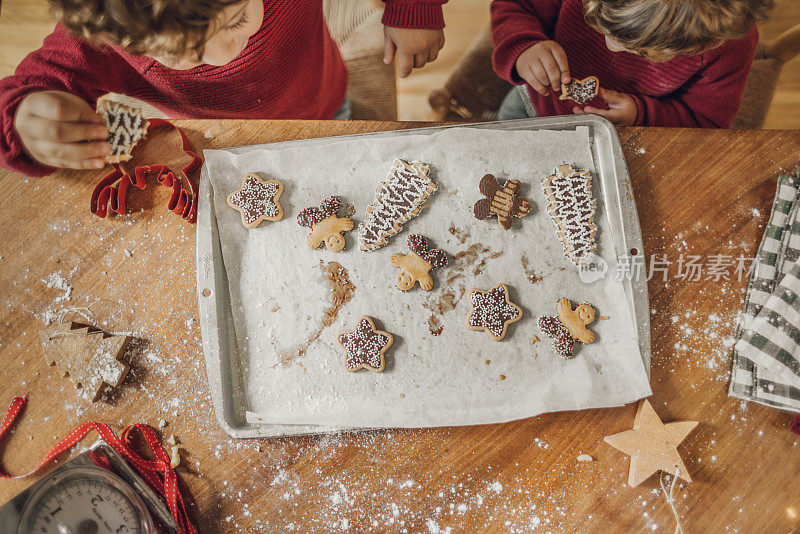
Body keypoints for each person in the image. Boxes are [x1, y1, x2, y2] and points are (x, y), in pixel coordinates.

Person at [0, 0, 448, 176]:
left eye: (237, 20)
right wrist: (23, 117)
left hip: (324, 98)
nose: (224, 53)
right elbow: (30, 86)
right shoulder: (109, 25)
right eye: (185, 53)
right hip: (223, 139)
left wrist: (415, 6)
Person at [491, 0, 773, 127]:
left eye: (642, 52)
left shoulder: (727, 45)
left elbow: (704, 121)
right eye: (599, 27)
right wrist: (523, 46)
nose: (611, 47)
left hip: (628, 136)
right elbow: (516, 4)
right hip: (533, 105)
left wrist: (643, 115)